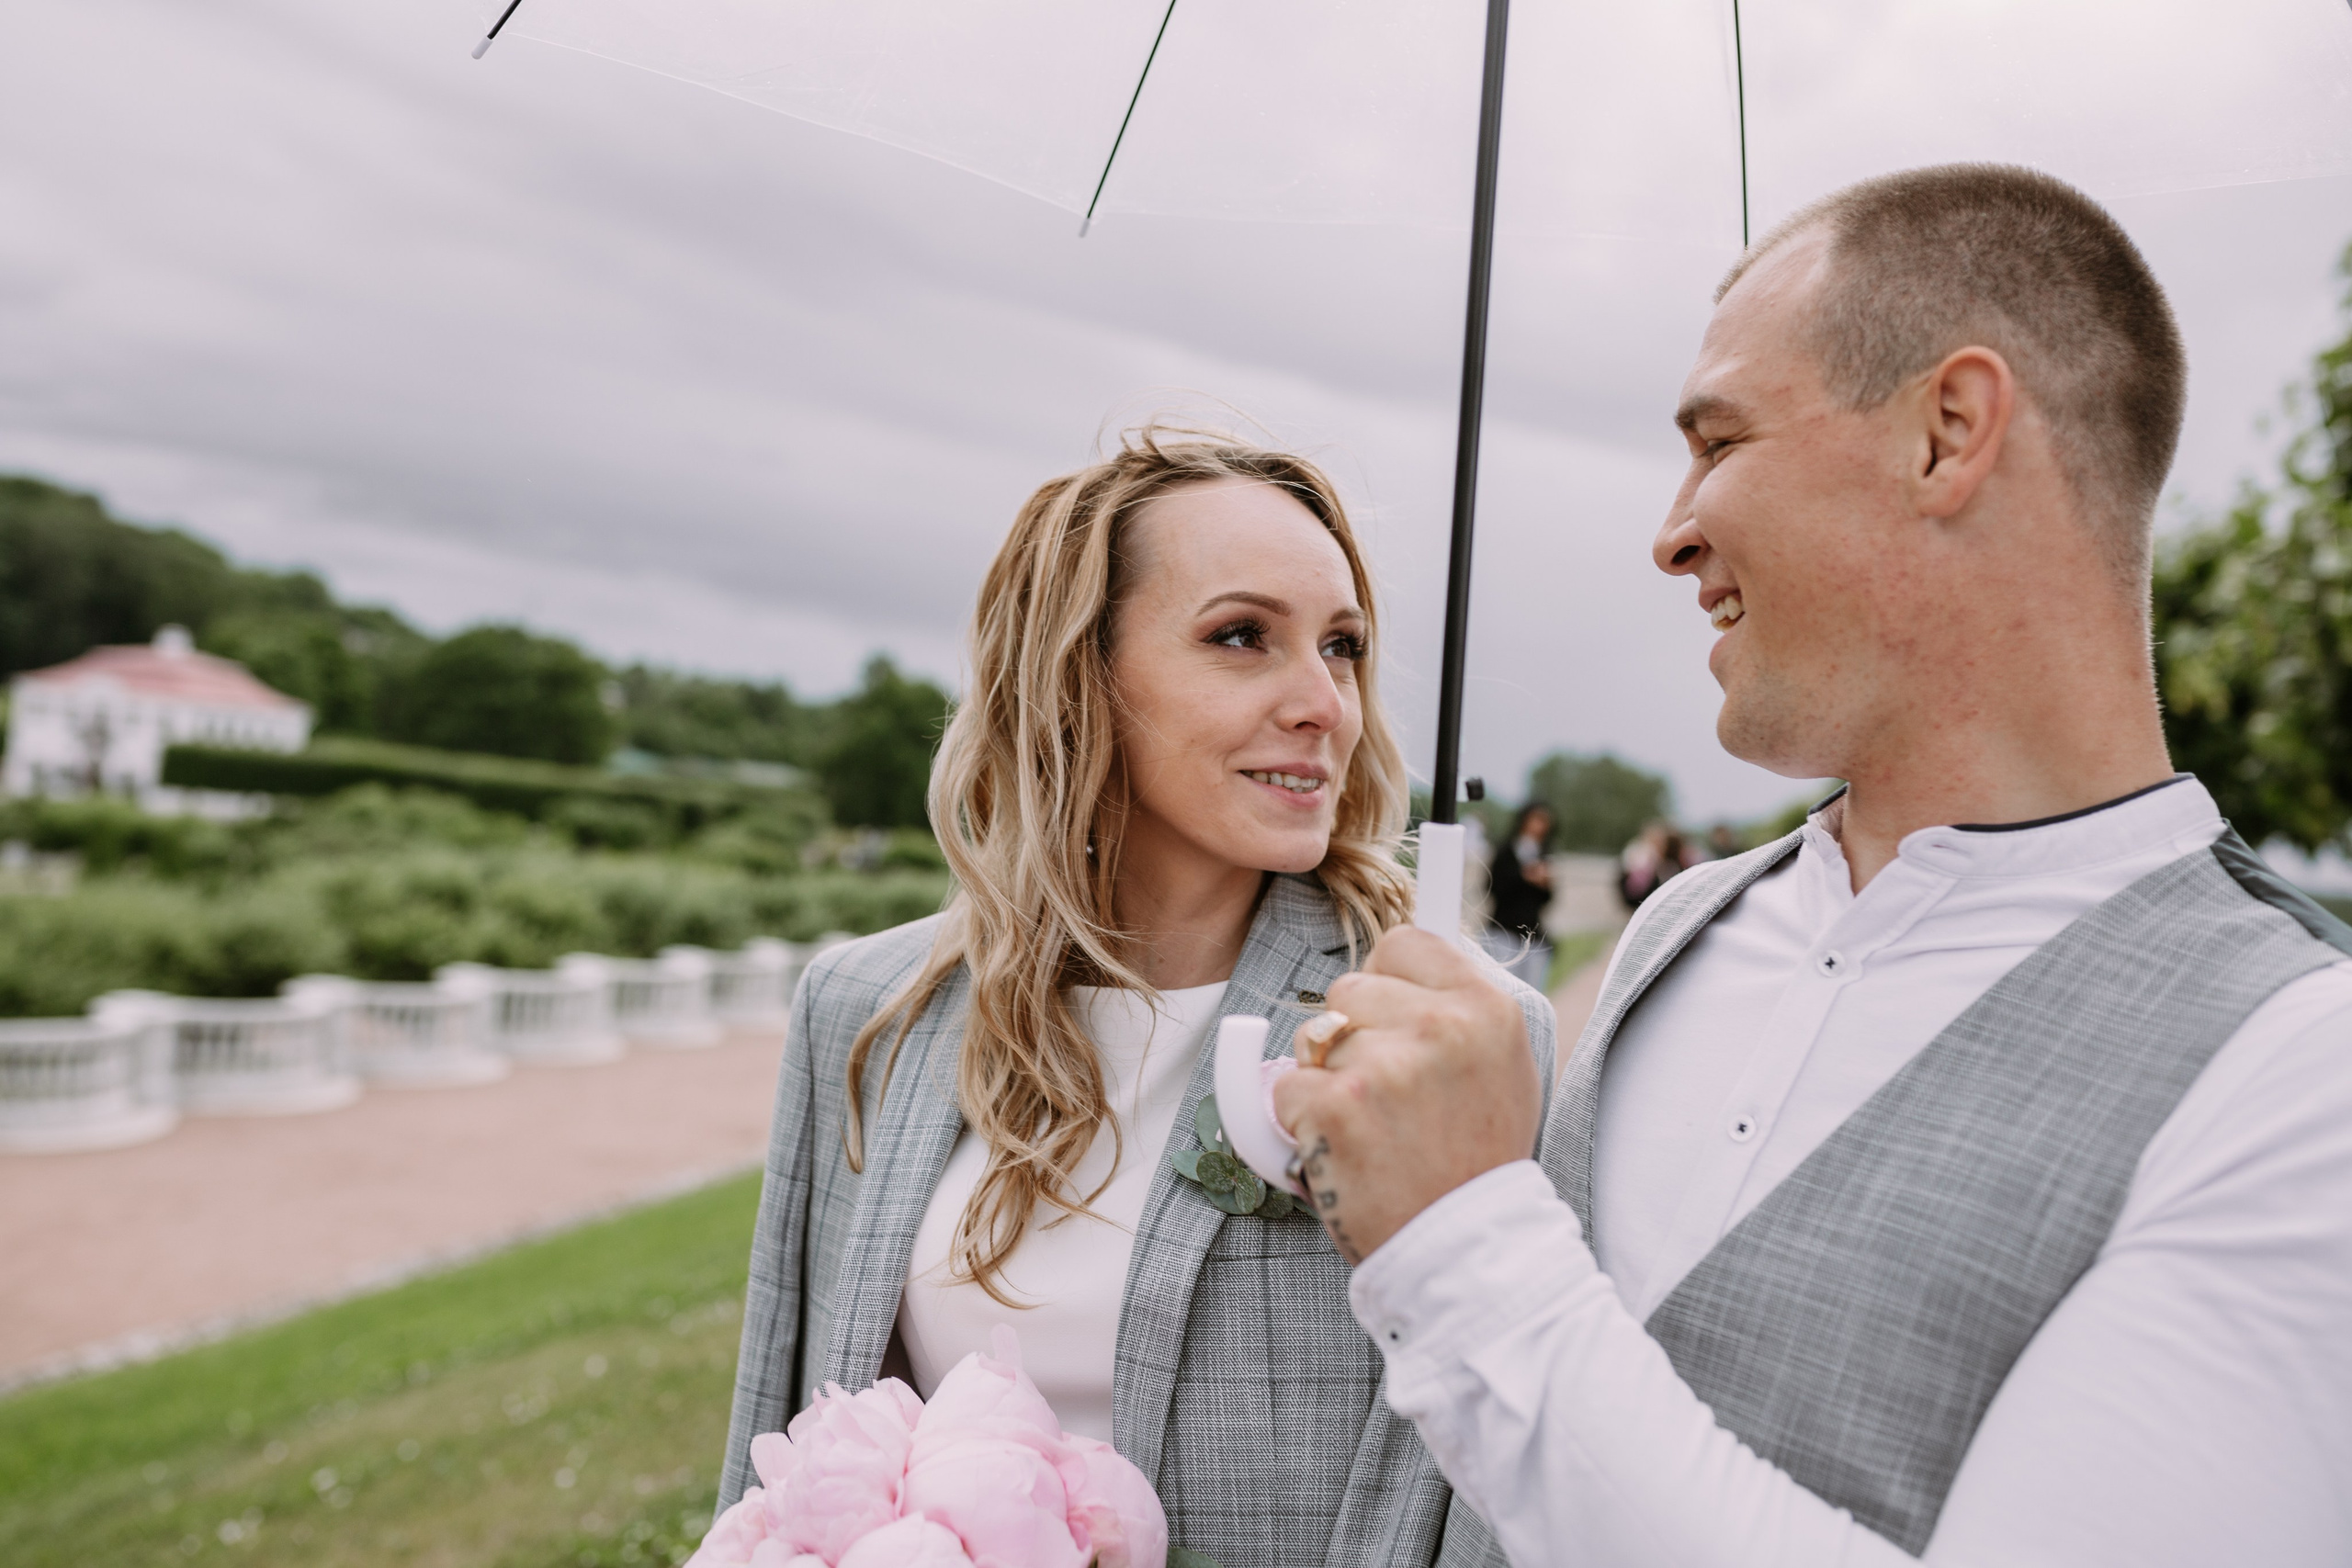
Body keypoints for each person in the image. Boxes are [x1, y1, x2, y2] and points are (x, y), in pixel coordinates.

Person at [1272, 165, 2352, 1566]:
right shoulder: (1677, 927)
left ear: (1946, 432)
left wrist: (1466, 1240)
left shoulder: (2300, 1074)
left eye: (1718, 440)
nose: (1672, 531)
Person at [717, 430, 1557, 1568]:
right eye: (1241, 637)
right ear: (1080, 675)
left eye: (1344, 647)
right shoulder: (866, 1010)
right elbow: (780, 1453)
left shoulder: (1448, 1038)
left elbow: (1492, 1496)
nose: (1324, 703)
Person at [1486, 802, 1555, 989]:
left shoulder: (1544, 854)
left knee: (1532, 990)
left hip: (1532, 931)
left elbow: (1548, 899)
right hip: (1504, 929)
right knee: (1504, 988)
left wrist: (1544, 883)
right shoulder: (1506, 850)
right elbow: (1492, 887)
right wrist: (1524, 877)